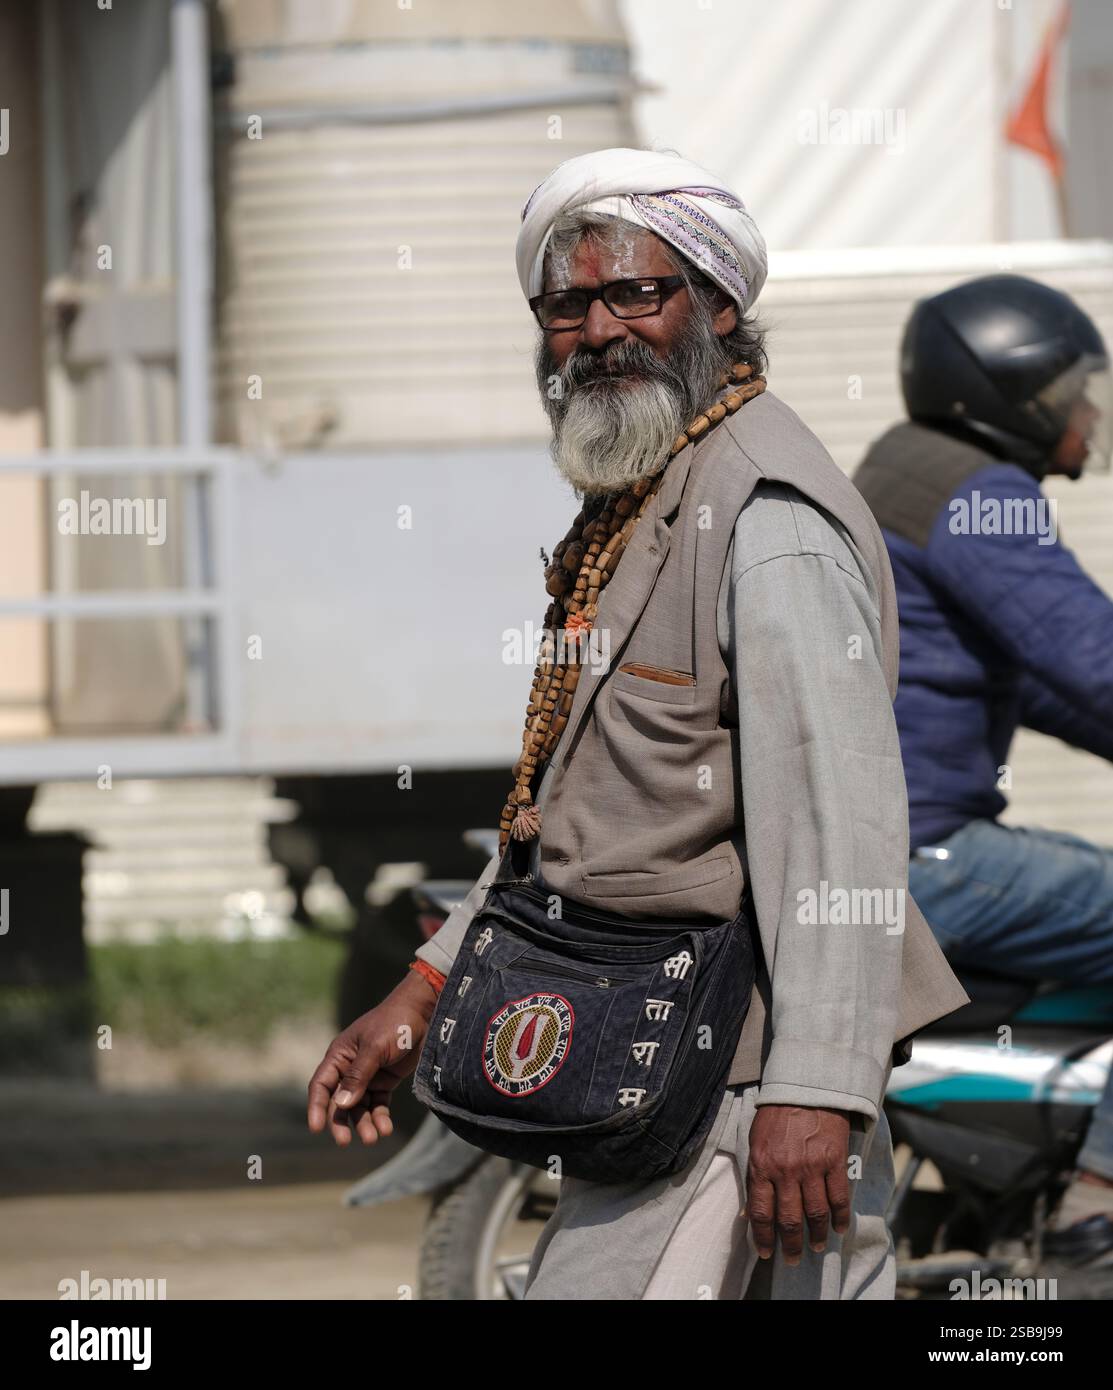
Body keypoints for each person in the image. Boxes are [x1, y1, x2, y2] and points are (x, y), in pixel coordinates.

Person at [308, 146, 968, 1299]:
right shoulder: (641, 501)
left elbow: (841, 827)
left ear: (719, 303)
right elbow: (563, 805)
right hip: (650, 1067)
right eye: (567, 304)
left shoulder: (767, 515)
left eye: (637, 293)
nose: (599, 330)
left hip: (738, 1086)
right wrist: (424, 989)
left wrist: (816, 1088)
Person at [852, 273, 1113, 1266]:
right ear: (1005, 396)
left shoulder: (906, 468)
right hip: (925, 855)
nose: (1087, 414)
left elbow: (1036, 678)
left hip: (880, 839)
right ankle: (1099, 1205)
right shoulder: (982, 498)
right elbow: (1094, 659)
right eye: (1068, 393)